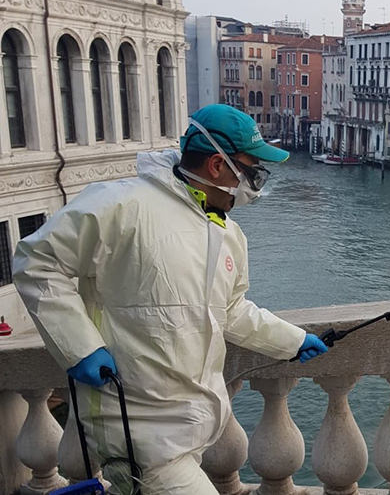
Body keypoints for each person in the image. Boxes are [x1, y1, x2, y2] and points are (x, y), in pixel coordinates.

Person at [12, 104, 329, 495]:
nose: (256, 186)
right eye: (253, 173)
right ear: (218, 165)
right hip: (138, 435)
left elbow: (231, 311)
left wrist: (293, 340)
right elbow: (36, 262)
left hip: (190, 430)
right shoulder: (120, 205)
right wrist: (80, 349)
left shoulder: (228, 234)